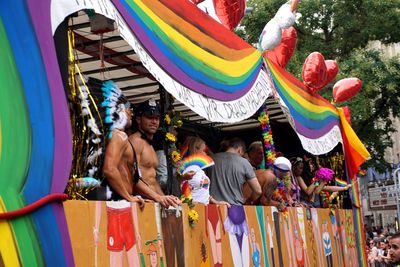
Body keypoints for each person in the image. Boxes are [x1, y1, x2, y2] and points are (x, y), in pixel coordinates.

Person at [128, 99, 181, 207]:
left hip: (151, 201)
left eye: (156, 118)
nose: (154, 121)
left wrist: (166, 199)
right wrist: (158, 197)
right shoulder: (135, 141)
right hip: (140, 203)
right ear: (138, 119)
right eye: (149, 117)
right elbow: (132, 177)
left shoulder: (150, 145)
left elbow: (152, 180)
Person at [208, 137, 261, 205]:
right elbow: (258, 191)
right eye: (242, 154)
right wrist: (249, 200)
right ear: (239, 150)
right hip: (235, 207)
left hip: (212, 206)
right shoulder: (244, 162)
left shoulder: (210, 159)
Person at [180, 136, 229, 206]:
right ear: (195, 149)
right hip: (192, 209)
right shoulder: (184, 168)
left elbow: (202, 191)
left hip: (204, 208)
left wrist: (215, 201)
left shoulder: (200, 170)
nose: (206, 154)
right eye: (204, 151)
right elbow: (181, 189)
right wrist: (190, 202)